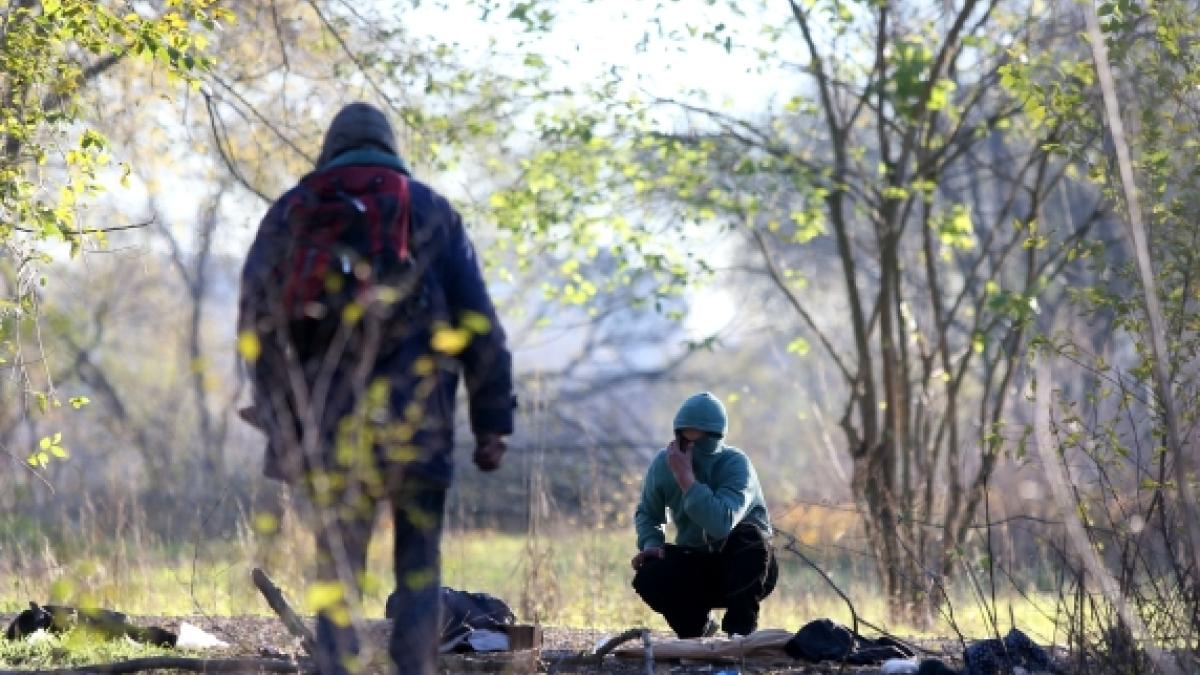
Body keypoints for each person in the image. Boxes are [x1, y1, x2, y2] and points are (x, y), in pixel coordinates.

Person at [237, 102, 515, 675]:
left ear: (330, 149)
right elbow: (478, 322)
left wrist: (279, 418)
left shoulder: (295, 211)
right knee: (418, 565)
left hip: (330, 425)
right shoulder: (429, 211)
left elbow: (256, 319)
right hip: (419, 422)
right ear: (390, 147)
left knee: (335, 567)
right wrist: (493, 423)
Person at [631, 391, 777, 638]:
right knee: (650, 573)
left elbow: (721, 524)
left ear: (717, 437)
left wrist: (687, 480)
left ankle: (739, 634)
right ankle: (695, 630)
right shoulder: (663, 463)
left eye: (700, 439)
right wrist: (652, 543)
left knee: (750, 537)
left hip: (747, 570)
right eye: (685, 437)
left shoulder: (736, 465)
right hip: (696, 563)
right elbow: (648, 513)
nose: (690, 447)